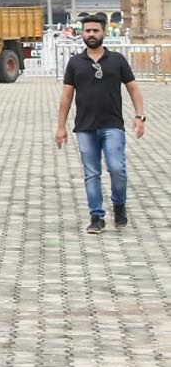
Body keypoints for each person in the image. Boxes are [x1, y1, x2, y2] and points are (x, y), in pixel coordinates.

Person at [56, 13, 147, 233]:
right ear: (82, 34)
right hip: (85, 128)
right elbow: (66, 96)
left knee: (117, 169)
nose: (91, 34)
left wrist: (140, 116)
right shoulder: (75, 63)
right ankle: (96, 217)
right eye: (87, 31)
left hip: (112, 125)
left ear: (104, 33)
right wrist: (61, 127)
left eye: (95, 30)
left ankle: (119, 205)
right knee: (92, 174)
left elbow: (133, 88)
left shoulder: (117, 60)